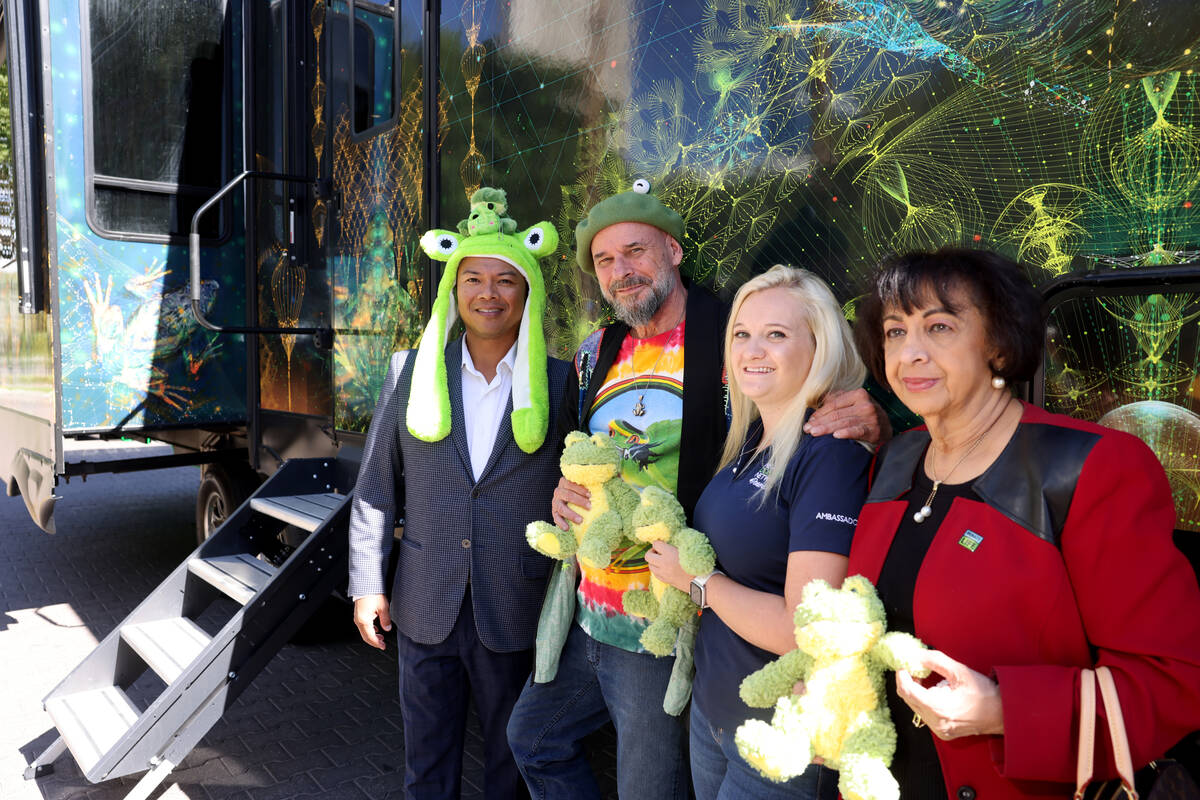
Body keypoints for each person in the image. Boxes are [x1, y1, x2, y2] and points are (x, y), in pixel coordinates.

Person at [506, 183, 887, 800]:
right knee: (534, 740)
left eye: (636, 251)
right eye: (605, 261)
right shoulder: (595, 352)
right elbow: (588, 454)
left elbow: (808, 407)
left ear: (675, 250)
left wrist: (871, 417)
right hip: (589, 607)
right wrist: (564, 496)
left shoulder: (727, 339)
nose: (621, 271)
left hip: (667, 619)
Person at [849, 247, 1200, 799]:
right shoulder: (893, 461)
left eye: (939, 327)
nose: (909, 353)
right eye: (895, 331)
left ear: (996, 342)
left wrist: (1002, 709)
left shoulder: (1092, 468)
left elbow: (1172, 684)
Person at [348, 188, 569, 799]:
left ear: (527, 294)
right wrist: (368, 583)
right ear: (453, 287)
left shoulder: (557, 381)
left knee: (511, 765)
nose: (488, 293)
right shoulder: (409, 371)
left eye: (506, 280)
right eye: (473, 278)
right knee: (427, 765)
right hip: (425, 602)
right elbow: (375, 488)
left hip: (514, 602)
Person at [646, 265, 872, 800]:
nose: (752, 349)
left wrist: (698, 581)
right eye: (742, 334)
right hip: (714, 718)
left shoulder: (829, 456)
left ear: (820, 348)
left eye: (777, 335)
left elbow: (805, 629)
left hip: (781, 740)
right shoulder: (750, 442)